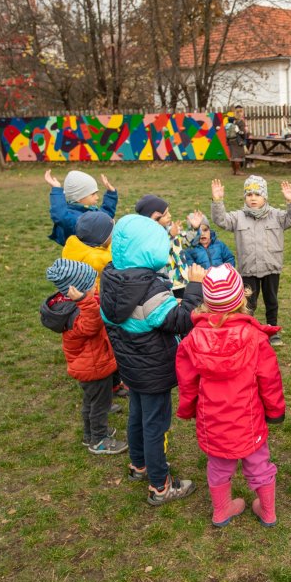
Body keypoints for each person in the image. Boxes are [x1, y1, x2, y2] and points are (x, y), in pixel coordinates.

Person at [99, 214, 206, 506]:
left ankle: (138, 464)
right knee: (155, 425)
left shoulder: (111, 276)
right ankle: (160, 485)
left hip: (131, 365)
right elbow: (180, 320)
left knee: (137, 414)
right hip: (154, 369)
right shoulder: (150, 289)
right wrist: (194, 288)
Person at [176, 264, 286, 527]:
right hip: (248, 418)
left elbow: (187, 381)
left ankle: (222, 509)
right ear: (242, 298)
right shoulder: (254, 337)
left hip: (212, 418)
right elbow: (270, 379)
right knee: (258, 461)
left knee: (219, 464)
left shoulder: (193, 338)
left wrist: (188, 408)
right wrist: (275, 411)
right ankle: (267, 511)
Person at [40, 259, 128, 455]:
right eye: (91, 286)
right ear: (76, 292)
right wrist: (86, 300)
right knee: (100, 405)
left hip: (87, 365)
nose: (95, 287)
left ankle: (90, 434)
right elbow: (92, 324)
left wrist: (87, 298)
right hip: (94, 367)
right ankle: (99, 440)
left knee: (90, 402)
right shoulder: (78, 312)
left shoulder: (67, 306)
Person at [211, 175, 291, 347]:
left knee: (271, 300)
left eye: (257, 194)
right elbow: (220, 220)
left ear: (265, 197)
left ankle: (273, 330)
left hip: (271, 268)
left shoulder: (276, 215)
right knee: (248, 302)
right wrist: (217, 201)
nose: (253, 198)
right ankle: (248, 330)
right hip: (248, 269)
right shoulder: (238, 217)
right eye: (249, 194)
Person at [61, 210, 129, 401]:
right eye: (111, 232)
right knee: (107, 346)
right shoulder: (94, 258)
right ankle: (105, 390)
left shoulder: (76, 245)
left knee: (109, 347)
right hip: (98, 305)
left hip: (93, 303)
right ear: (100, 238)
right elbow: (117, 259)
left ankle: (114, 384)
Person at [134, 194, 190, 299]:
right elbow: (158, 251)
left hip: (181, 279)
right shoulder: (148, 236)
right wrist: (171, 236)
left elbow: (189, 242)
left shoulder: (171, 228)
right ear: (153, 218)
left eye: (168, 211)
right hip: (167, 282)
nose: (169, 215)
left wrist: (194, 229)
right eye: (165, 214)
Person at [44, 170, 118, 246]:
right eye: (93, 194)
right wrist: (57, 189)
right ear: (79, 198)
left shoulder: (88, 211)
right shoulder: (75, 219)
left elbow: (105, 219)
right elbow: (60, 215)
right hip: (82, 257)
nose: (97, 197)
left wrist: (111, 194)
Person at [227, 105, 249, 175]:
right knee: (238, 156)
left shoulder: (233, 121)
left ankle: (234, 170)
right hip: (238, 141)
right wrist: (245, 134)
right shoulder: (241, 122)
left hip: (231, 140)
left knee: (233, 156)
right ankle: (238, 171)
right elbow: (242, 133)